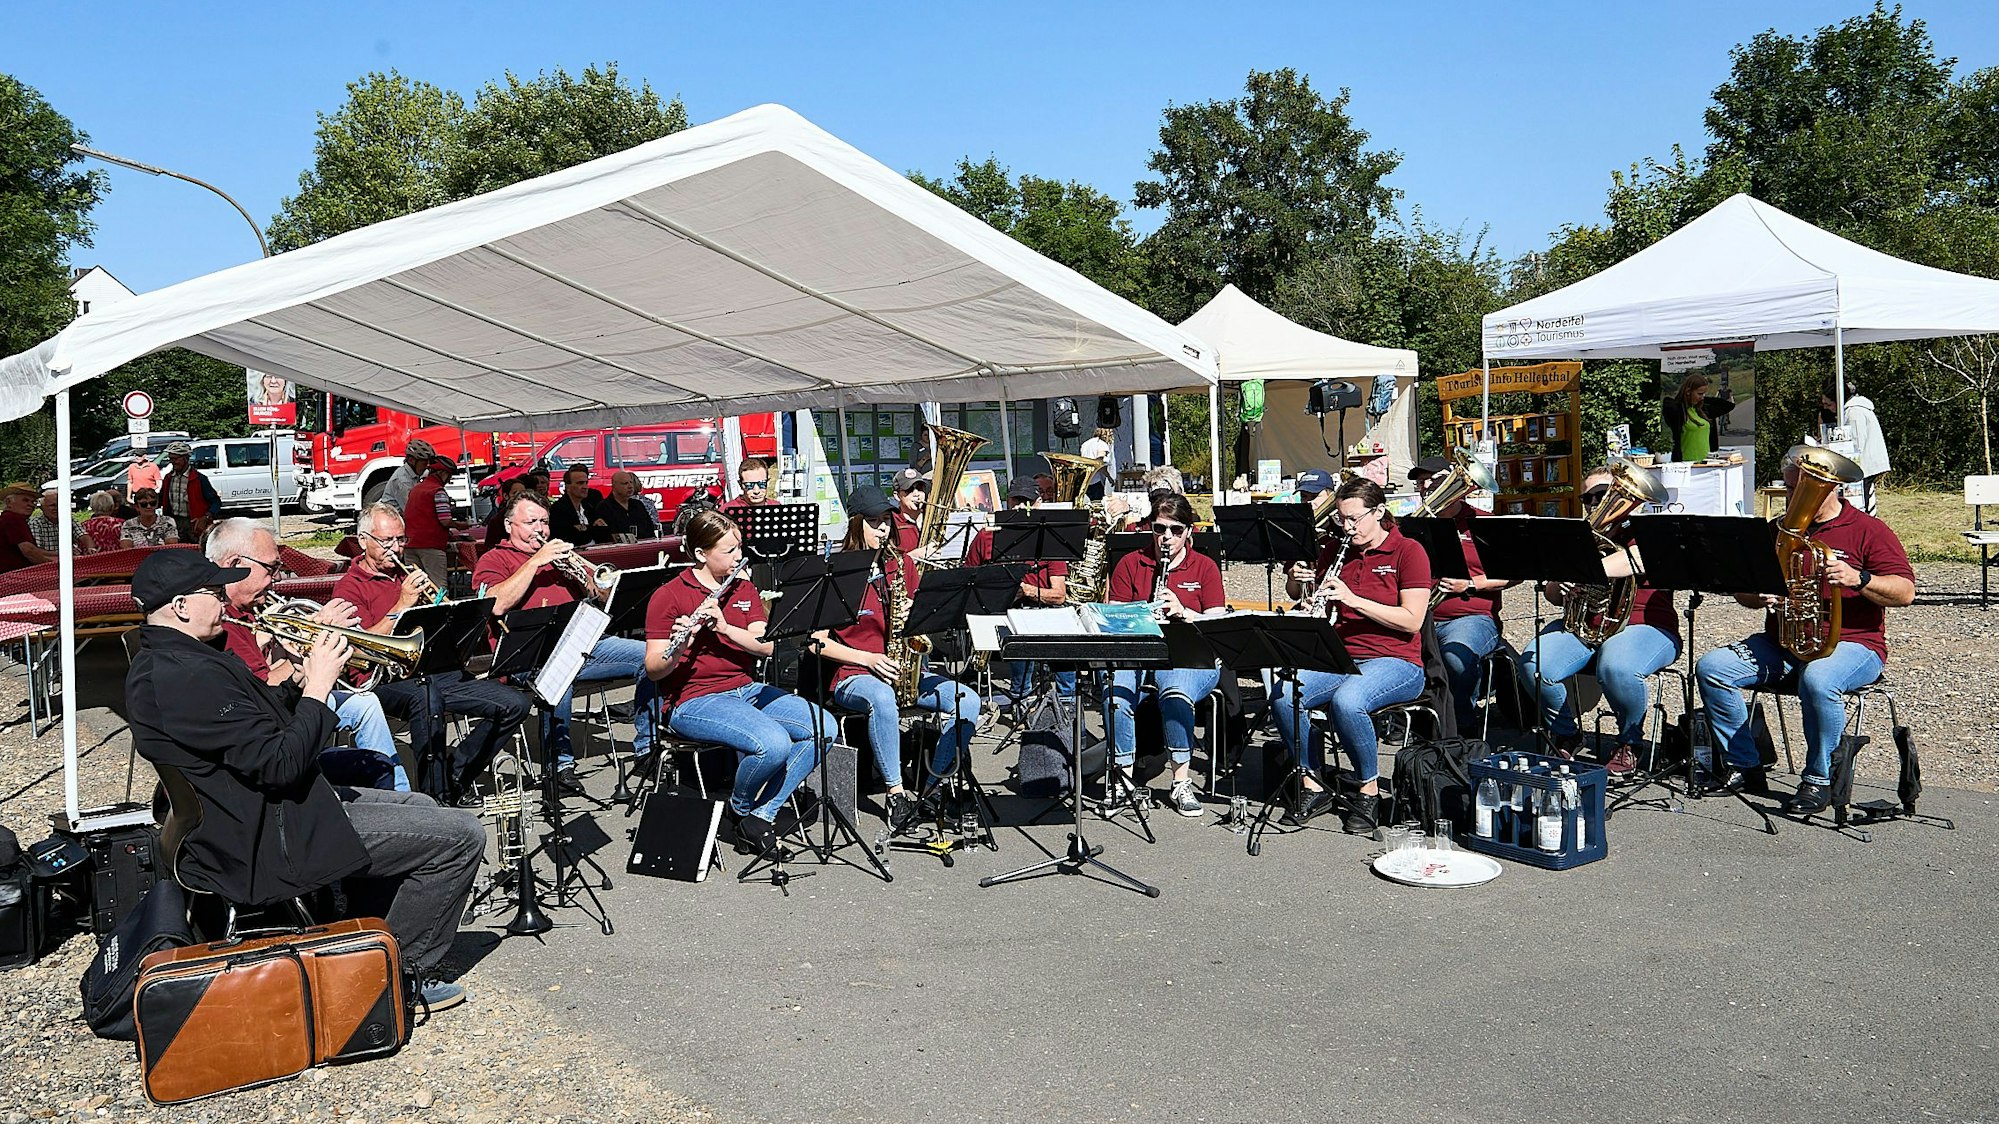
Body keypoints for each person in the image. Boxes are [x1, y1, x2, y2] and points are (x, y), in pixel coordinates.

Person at [125, 549, 483, 1010]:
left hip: (265, 809)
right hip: (263, 837)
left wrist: (295, 671)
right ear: (180, 606)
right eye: (214, 594)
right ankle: (397, 979)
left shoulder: (185, 658)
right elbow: (280, 764)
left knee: (422, 807)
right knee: (462, 835)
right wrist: (319, 686)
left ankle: (363, 942)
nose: (223, 603)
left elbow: (259, 730)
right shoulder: (185, 676)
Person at [1695, 446, 1915, 813]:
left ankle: (1819, 779)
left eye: (1801, 487)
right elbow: (1744, 594)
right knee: (1713, 668)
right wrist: (1757, 594)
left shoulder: (1868, 530)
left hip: (1854, 644)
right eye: (1792, 486)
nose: (1792, 495)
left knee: (1818, 679)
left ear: (1833, 487)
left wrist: (1859, 578)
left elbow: (1905, 592)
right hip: (1783, 641)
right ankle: (1745, 765)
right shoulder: (1775, 531)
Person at [644, 510, 832, 853]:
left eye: (739, 547)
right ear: (702, 554)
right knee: (773, 744)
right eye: (729, 550)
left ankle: (758, 812)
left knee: (824, 728)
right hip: (694, 699)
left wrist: (726, 628)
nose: (738, 556)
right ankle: (742, 808)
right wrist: (683, 641)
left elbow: (767, 646)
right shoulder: (669, 596)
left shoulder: (744, 587)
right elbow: (654, 669)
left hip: (746, 688)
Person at [334, 504, 532, 804]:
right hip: (382, 680)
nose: (396, 549)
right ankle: (434, 798)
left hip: (431, 671)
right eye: (387, 541)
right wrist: (402, 605)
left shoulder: (408, 574)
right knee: (426, 698)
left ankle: (455, 775)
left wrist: (445, 609)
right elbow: (360, 645)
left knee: (515, 703)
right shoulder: (349, 587)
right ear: (363, 540)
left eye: (401, 540)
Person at [812, 485, 980, 836]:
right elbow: (816, 644)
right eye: (874, 523)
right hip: (853, 672)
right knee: (882, 698)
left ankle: (935, 783)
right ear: (856, 524)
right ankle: (896, 793)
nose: (883, 530)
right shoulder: (837, 570)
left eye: (885, 521)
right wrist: (868, 658)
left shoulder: (901, 564)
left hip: (904, 670)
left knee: (969, 701)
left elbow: (918, 618)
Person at [1274, 478, 1431, 835]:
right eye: (1341, 519)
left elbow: (1412, 620)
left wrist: (1354, 600)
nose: (1346, 528)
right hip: (1341, 654)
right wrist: (1299, 581)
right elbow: (1302, 591)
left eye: (1353, 519)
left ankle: (1367, 789)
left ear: (1378, 512)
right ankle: (1312, 783)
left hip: (1397, 660)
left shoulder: (1409, 552)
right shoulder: (1337, 548)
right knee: (1285, 695)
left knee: (1348, 701)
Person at [207, 519, 410, 792]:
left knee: (365, 703)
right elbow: (269, 689)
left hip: (285, 711)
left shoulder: (246, 610)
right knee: (373, 737)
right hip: (278, 727)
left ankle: (403, 797)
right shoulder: (223, 620)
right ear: (234, 565)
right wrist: (315, 640)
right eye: (271, 568)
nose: (277, 577)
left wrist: (303, 635)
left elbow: (272, 669)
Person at [472, 492, 656, 794]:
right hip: (529, 654)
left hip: (585, 644)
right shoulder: (494, 558)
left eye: (544, 521)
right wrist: (534, 563)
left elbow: (606, 598)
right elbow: (495, 604)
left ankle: (647, 747)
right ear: (509, 526)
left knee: (653, 657)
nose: (540, 529)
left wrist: (591, 582)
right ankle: (560, 765)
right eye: (530, 521)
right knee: (560, 676)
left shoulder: (558, 558)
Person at [1511, 469, 1680, 774]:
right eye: (1587, 497)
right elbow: (1553, 595)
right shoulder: (1580, 537)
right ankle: (1565, 731)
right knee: (1534, 665)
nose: (1594, 502)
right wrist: (1560, 583)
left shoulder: (1652, 529)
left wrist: (1580, 566)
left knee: (1616, 667)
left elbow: (1635, 558)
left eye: (1602, 494)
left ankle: (1629, 741)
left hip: (1644, 624)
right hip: (1587, 625)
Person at [1104, 492, 1225, 817]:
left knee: (1175, 694)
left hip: (1191, 654)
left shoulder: (1205, 567)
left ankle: (1180, 781)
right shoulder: (1131, 562)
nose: (1166, 538)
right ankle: (1123, 782)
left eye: (1175, 530)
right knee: (1115, 693)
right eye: (1159, 529)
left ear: (1189, 531)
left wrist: (1185, 612)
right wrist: (1142, 614)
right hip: (1140, 651)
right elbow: (1113, 617)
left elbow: (1218, 625)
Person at [1407, 457, 1513, 727]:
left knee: (1455, 659)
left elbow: (1512, 574)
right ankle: (1413, 721)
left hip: (1470, 617)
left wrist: (1469, 584)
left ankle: (1462, 729)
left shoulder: (1484, 522)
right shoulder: (1411, 525)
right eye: (1421, 481)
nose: (1426, 486)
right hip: (1420, 615)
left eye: (1434, 479)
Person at [962, 476, 1075, 701]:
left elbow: (1060, 595)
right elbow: (967, 578)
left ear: (1038, 503)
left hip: (1043, 609)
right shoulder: (987, 536)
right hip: (1003, 610)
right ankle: (1021, 697)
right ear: (1007, 501)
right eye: (1016, 500)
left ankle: (1066, 702)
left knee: (1064, 637)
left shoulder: (1051, 537)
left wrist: (1026, 590)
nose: (1021, 506)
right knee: (1017, 630)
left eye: (1027, 501)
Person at [1820, 378, 1890, 514]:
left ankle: (1868, 522)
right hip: (1863, 465)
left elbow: (1856, 444)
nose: (1826, 408)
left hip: (1866, 464)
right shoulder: (1851, 411)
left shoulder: (1854, 412)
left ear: (1837, 401)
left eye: (1828, 404)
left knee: (1863, 501)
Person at [402, 457, 467, 590]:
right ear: (443, 474)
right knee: (438, 588)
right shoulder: (437, 491)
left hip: (410, 545)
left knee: (416, 587)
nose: (448, 481)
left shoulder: (416, 489)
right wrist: (460, 525)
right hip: (431, 546)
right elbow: (445, 521)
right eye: (449, 476)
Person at [1661, 373, 1736, 463]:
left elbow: (1728, 405)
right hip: (1686, 463)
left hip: (1707, 462)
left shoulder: (1703, 410)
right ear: (1688, 392)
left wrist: (1703, 398)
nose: (1702, 397)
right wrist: (1685, 398)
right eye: (1700, 394)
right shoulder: (1678, 410)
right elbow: (1668, 403)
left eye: (1704, 394)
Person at [160, 441, 218, 543]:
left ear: (186, 458)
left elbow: (216, 502)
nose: (172, 462)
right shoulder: (168, 478)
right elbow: (161, 499)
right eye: (171, 459)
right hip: (174, 523)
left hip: (194, 524)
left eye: (175, 459)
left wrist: (206, 517)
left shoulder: (199, 479)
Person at [24, 486, 90, 562]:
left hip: (68, 561)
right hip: (47, 563)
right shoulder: (35, 524)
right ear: (42, 507)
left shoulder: (68, 520)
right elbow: (38, 551)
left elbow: (83, 535)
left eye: (59, 504)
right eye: (52, 505)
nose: (57, 508)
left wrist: (90, 548)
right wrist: (64, 554)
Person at [591, 470, 658, 542]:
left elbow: (650, 530)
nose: (630, 486)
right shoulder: (604, 507)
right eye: (625, 483)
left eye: (631, 482)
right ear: (614, 486)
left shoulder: (638, 505)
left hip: (643, 547)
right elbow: (604, 536)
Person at [548, 465, 600, 546]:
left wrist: (584, 529)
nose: (585, 487)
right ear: (568, 486)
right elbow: (568, 538)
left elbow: (601, 532)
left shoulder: (589, 507)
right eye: (580, 483)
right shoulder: (558, 510)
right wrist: (590, 529)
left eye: (586, 483)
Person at [380, 438, 435, 514]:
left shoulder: (414, 473)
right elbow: (411, 511)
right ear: (411, 460)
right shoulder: (403, 481)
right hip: (394, 519)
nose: (427, 466)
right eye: (424, 463)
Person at [888, 468, 929, 556]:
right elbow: (889, 562)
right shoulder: (891, 523)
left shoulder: (933, 517)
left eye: (920, 488)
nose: (916, 494)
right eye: (909, 490)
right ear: (897, 496)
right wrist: (916, 555)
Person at [0, 483, 36, 573]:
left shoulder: (10, 518)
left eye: (33, 502)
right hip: (12, 577)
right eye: (25, 500)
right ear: (9, 502)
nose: (31, 505)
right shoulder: (12, 518)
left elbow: (34, 550)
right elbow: (29, 551)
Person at [1079, 427, 1115, 501]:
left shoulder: (1085, 444)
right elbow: (1099, 463)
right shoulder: (1102, 445)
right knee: (1098, 503)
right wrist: (1109, 477)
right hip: (1096, 480)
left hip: (1086, 480)